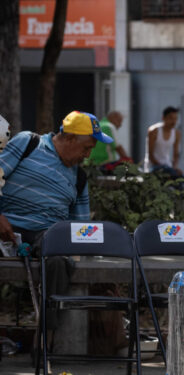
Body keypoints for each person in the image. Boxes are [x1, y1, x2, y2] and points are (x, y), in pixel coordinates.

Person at [0, 111, 112, 329]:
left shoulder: (79, 177)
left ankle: (45, 336)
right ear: (69, 138)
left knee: (59, 258)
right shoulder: (28, 143)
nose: (88, 155)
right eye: (87, 148)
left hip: (46, 236)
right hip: (6, 225)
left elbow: (80, 230)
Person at [144, 106, 183, 177]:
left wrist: (174, 167)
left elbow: (176, 154)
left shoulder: (176, 133)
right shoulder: (154, 131)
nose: (174, 121)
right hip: (153, 166)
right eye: (171, 118)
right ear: (163, 118)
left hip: (168, 166)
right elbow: (150, 153)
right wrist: (161, 166)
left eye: (175, 119)